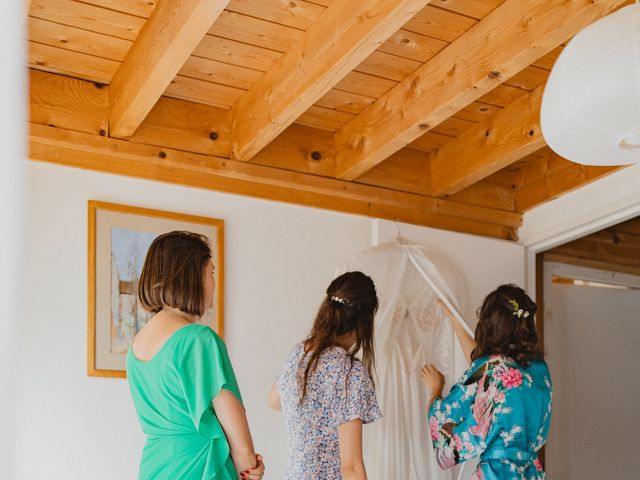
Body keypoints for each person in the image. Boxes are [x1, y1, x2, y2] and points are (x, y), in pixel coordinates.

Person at [126, 231, 265, 480]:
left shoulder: (137, 343)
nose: (213, 282)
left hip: (155, 467)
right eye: (210, 272)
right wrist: (250, 470)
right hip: (198, 467)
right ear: (191, 276)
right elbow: (241, 444)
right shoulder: (199, 339)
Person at [421, 284, 552, 479]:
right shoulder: (539, 370)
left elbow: (447, 424)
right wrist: (454, 320)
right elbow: (487, 371)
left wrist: (435, 391)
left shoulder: (490, 369)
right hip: (531, 473)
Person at [268, 271, 382, 480]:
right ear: (364, 321)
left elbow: (274, 401)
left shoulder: (299, 353)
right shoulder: (349, 372)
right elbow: (352, 468)